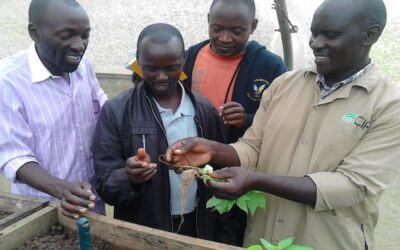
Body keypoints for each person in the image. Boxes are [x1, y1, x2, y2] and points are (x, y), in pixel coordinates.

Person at [165, 0, 400, 249]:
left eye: (330, 35)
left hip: (328, 241)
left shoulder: (387, 105)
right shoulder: (284, 85)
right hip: (261, 239)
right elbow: (253, 147)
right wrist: (212, 150)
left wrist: (257, 181)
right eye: (314, 33)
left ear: (371, 34)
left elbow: (352, 184)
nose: (315, 43)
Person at [92, 23, 237, 244]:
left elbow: (223, 174)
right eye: (151, 68)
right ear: (138, 63)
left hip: (198, 226)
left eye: (171, 67)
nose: (161, 77)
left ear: (184, 60)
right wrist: (129, 177)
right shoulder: (116, 112)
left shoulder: (205, 111)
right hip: (142, 233)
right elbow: (105, 185)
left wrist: (224, 236)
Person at [0, 0, 107, 219]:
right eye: (66, 35)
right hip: (41, 212)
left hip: (91, 205)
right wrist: (62, 189)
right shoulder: (8, 82)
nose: (79, 45)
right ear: (35, 33)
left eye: (85, 35)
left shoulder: (83, 67)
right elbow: (13, 156)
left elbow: (104, 112)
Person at [183, 0, 287, 143]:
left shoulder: (270, 66)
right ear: (208, 20)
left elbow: (284, 120)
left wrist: (248, 119)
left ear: (253, 26)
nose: (225, 38)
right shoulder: (189, 57)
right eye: (217, 29)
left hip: (241, 158)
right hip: (193, 151)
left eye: (236, 31)